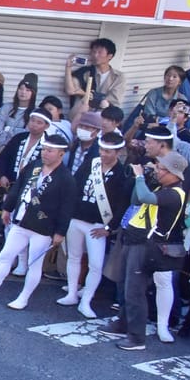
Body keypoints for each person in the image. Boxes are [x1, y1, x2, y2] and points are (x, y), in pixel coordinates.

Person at [0, 129, 72, 310]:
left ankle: (23, 298)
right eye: (44, 149)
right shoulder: (34, 166)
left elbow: (67, 208)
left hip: (43, 226)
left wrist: (60, 232)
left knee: (34, 264)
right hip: (21, 219)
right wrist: (7, 208)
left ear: (61, 154)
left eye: (50, 150)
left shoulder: (66, 179)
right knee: (5, 255)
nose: (45, 153)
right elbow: (18, 188)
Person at [113, 153, 190, 351]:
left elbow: (146, 196)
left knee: (135, 291)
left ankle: (137, 338)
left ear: (175, 174)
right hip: (134, 239)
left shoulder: (175, 194)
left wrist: (140, 177)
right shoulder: (161, 187)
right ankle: (123, 323)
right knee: (125, 285)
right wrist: (143, 179)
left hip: (148, 246)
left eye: (162, 169)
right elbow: (137, 200)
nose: (158, 172)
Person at [60, 130, 134, 318]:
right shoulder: (90, 164)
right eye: (101, 149)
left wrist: (110, 228)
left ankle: (86, 300)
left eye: (108, 151)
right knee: (74, 257)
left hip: (98, 224)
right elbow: (74, 187)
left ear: (118, 152)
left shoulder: (122, 173)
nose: (103, 154)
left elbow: (122, 204)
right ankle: (71, 293)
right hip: (76, 218)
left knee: (95, 264)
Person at [66, 37, 123, 114]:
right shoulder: (85, 72)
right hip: (82, 116)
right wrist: (68, 67)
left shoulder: (118, 77)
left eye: (100, 53)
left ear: (110, 56)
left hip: (103, 118)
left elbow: (113, 102)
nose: (95, 55)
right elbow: (70, 90)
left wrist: (91, 96)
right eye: (93, 52)